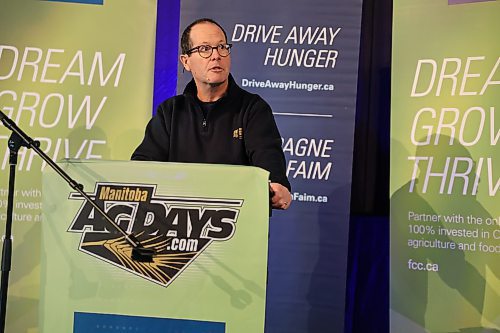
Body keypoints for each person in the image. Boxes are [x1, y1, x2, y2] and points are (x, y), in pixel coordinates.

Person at [132, 18, 292, 210]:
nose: (216, 56)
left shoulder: (252, 108)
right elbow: (142, 168)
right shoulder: (171, 111)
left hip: (235, 223)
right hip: (177, 225)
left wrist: (276, 184)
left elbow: (268, 158)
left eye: (222, 47)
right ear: (186, 61)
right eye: (205, 49)